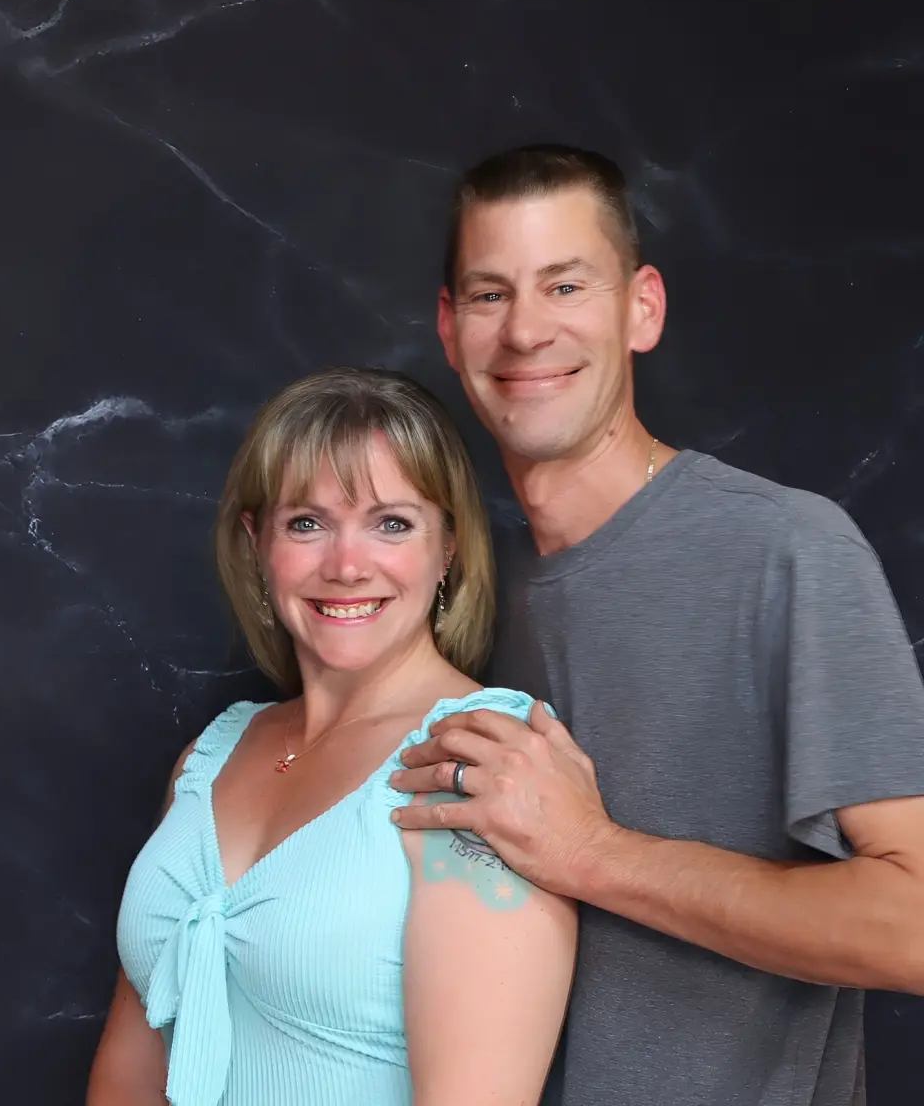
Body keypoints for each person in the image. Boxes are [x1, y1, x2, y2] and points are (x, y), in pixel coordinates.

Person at [390, 143, 924, 1106]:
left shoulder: (789, 551)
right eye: (488, 294)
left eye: (565, 285)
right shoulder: (460, 595)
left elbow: (917, 924)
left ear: (642, 308)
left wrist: (594, 855)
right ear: (448, 325)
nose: (525, 333)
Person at [86, 368, 576, 1106]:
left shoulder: (478, 761)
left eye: (392, 523)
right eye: (306, 523)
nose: (347, 566)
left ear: (447, 548)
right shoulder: (212, 754)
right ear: (258, 544)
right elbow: (132, 1063)